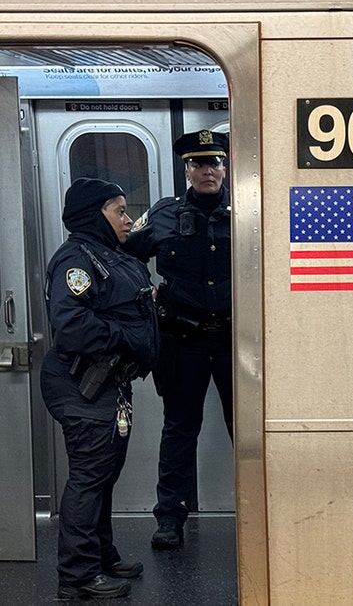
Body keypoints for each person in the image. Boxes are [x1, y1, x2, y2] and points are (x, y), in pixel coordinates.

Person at [41, 177, 159, 600]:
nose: (127, 219)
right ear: (96, 215)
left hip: (109, 382)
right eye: (119, 211)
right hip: (80, 383)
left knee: (104, 475)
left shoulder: (110, 255)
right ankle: (76, 577)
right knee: (89, 477)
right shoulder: (75, 260)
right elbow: (71, 326)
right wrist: (124, 336)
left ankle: (100, 555)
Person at [123, 130, 233, 550]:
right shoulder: (165, 214)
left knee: (245, 431)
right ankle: (170, 519)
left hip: (233, 340)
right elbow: (127, 254)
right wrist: (144, 296)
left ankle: (259, 511)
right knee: (180, 429)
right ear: (187, 170)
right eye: (200, 164)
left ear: (225, 167)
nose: (209, 170)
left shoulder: (247, 209)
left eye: (216, 162)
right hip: (182, 339)